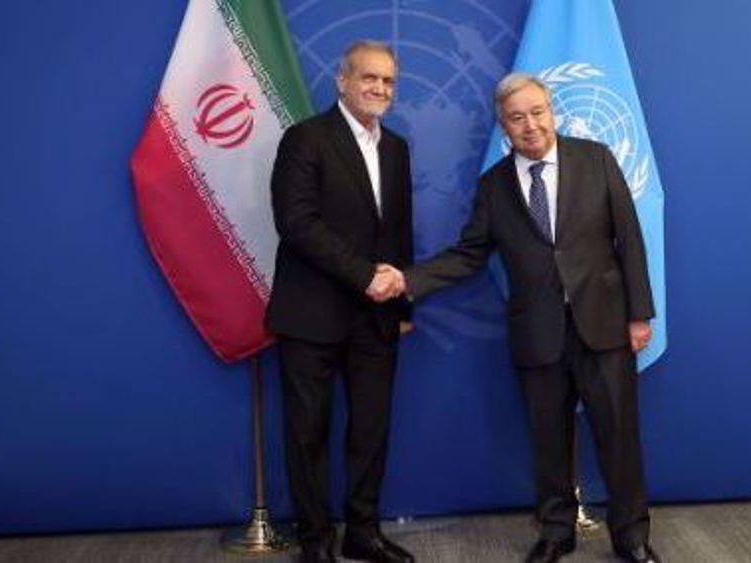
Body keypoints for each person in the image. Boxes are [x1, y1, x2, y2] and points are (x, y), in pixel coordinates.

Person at [372, 73, 661, 563]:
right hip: (537, 332)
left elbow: (629, 240)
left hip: (604, 326)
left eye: (537, 112)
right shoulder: (493, 186)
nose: (530, 125)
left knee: (619, 437)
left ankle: (631, 537)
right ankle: (555, 533)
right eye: (517, 117)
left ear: (553, 111)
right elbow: (468, 255)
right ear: (504, 126)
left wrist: (639, 315)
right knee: (547, 439)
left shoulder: (597, 160)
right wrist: (408, 279)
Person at [266, 40, 414, 563]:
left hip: (376, 319)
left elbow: (397, 232)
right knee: (308, 435)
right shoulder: (304, 140)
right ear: (342, 81)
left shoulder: (396, 148)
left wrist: (401, 307)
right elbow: (297, 223)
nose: (379, 88)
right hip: (311, 314)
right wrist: (362, 276)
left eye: (389, 82)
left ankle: (363, 532)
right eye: (369, 78)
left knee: (371, 431)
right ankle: (315, 540)